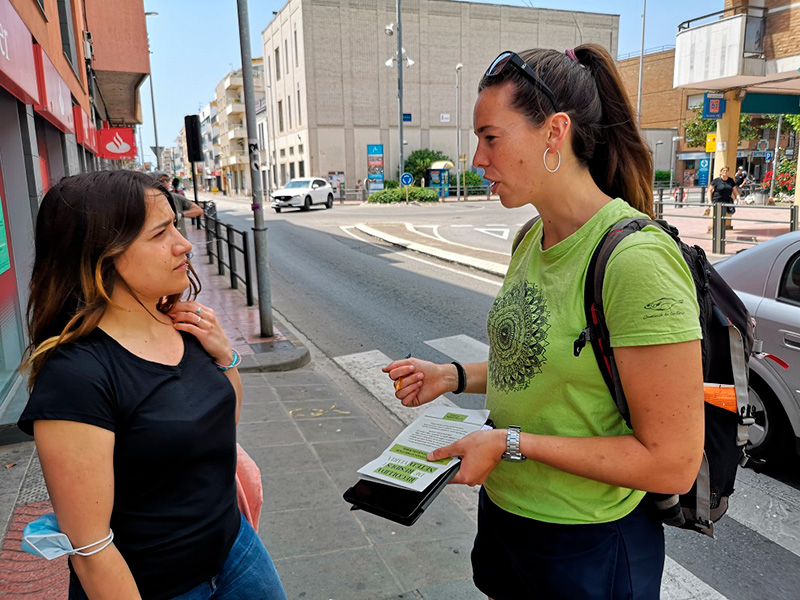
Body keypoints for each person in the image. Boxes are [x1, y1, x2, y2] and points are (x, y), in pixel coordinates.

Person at [383, 45, 704, 599]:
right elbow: (544, 361)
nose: (477, 159)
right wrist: (451, 376)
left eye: (490, 137)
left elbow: (672, 464)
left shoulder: (635, 261)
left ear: (554, 133)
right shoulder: (530, 237)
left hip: (588, 543)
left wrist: (510, 443)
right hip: (509, 519)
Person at [18, 170, 287, 600]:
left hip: (238, 555)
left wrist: (225, 357)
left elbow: (224, 425)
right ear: (102, 254)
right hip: (160, 586)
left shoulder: (181, 322)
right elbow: (90, 548)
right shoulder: (76, 376)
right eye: (161, 233)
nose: (184, 244)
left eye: (175, 226)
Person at [156, 172, 203, 237]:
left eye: (167, 180)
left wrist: (181, 214)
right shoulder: (151, 201)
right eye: (161, 181)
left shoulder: (177, 198)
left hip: (180, 238)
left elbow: (198, 210)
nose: (165, 183)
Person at [707, 166, 740, 230]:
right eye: (723, 171)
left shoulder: (731, 181)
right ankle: (717, 231)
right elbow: (709, 190)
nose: (725, 172)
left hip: (727, 201)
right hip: (717, 201)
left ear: (728, 172)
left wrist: (738, 198)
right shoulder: (716, 181)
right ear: (721, 172)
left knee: (725, 216)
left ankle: (721, 231)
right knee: (718, 216)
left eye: (726, 171)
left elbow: (735, 190)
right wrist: (709, 201)